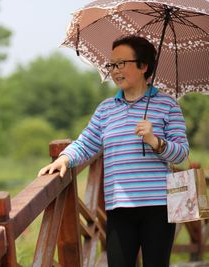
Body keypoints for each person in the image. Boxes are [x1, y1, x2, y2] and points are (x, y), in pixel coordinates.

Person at [38, 35, 189, 267]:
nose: (115, 71)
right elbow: (86, 142)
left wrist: (154, 140)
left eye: (121, 64)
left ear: (144, 66)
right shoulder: (106, 109)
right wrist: (65, 158)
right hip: (118, 206)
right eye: (112, 65)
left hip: (159, 206)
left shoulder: (168, 106)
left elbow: (181, 154)